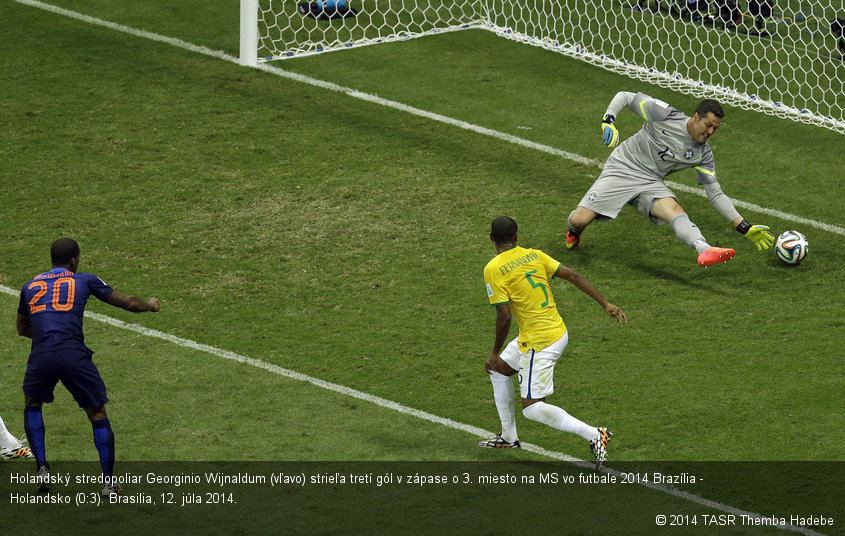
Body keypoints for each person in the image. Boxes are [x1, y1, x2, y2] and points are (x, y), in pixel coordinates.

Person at [480, 216, 627, 470]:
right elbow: (574, 275)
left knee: (532, 408)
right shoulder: (534, 255)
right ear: (516, 236)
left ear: (492, 238)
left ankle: (595, 434)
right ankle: (508, 437)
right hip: (552, 330)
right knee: (499, 371)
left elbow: (504, 316)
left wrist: (494, 351)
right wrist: (605, 304)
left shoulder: (493, 269)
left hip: (541, 341)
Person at [17, 238, 160, 495]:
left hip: (41, 354)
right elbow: (127, 302)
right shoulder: (84, 279)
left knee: (32, 404)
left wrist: (48, 335)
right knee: (96, 413)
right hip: (73, 354)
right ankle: (108, 483)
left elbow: (22, 329)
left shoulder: (29, 286)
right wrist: (150, 306)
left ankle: (41, 470)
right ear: (74, 260)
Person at [565, 91, 774, 267]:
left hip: (650, 182)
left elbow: (715, 194)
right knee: (579, 220)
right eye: (708, 125)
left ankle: (705, 249)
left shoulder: (703, 154)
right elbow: (626, 97)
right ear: (695, 117)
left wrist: (743, 226)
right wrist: (608, 120)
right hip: (623, 167)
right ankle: (574, 232)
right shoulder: (666, 115)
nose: (710, 132)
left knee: (675, 211)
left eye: (715, 129)